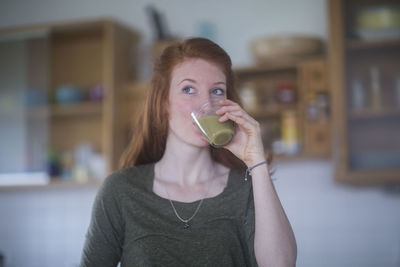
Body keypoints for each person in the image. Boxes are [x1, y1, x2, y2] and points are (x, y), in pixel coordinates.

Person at [80, 38, 297, 267]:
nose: (205, 102)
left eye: (216, 90)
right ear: (164, 104)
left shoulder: (245, 187)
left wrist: (256, 162)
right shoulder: (121, 191)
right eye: (188, 89)